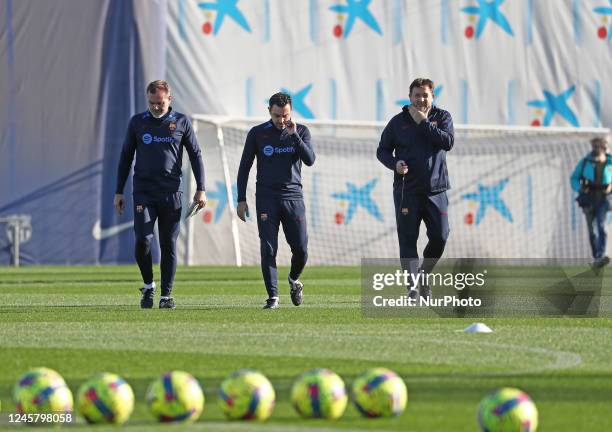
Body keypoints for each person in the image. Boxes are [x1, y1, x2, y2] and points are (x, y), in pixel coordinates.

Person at [114, 80, 206, 309]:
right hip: (144, 192)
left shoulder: (181, 122)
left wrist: (201, 189)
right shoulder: (138, 122)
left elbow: (196, 155)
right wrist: (118, 191)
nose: (155, 107)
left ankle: (166, 295)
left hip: (171, 192)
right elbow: (126, 157)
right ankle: (148, 286)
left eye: (160, 103)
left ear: (170, 100)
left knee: (168, 243)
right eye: (152, 103)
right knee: (143, 241)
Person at [376, 78, 454, 299]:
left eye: (425, 95)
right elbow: (382, 151)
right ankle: (412, 287)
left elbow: (447, 142)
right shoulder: (397, 122)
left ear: (432, 96)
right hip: (406, 191)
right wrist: (395, 164)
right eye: (417, 95)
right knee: (408, 239)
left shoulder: (442, 117)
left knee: (440, 236)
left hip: (436, 190)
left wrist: (423, 122)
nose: (421, 99)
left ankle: (425, 275)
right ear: (410, 97)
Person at [236, 92, 316, 309]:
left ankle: (293, 280)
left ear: (291, 112)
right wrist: (241, 199)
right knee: (268, 248)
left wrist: (294, 136)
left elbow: (310, 160)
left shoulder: (301, 131)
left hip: (293, 197)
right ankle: (273, 297)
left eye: (286, 115)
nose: (282, 120)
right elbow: (244, 167)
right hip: (266, 198)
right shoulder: (257, 133)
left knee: (301, 249)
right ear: (269, 112)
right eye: (277, 116)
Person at [570, 137, 612, 268]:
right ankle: (597, 257)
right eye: (594, 146)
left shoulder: (610, 163)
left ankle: (601, 254)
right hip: (588, 199)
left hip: (603, 199)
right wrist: (580, 188)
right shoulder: (585, 162)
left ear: (604, 147)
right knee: (591, 229)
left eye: (599, 146)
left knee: (601, 225)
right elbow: (574, 178)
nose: (596, 149)